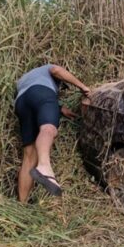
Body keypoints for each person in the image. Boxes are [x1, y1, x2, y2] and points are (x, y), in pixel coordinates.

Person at [14, 64, 90, 202]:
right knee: (48, 129)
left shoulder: (24, 79)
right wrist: (83, 87)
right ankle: (44, 165)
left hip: (21, 102)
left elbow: (33, 97)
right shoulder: (48, 69)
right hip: (43, 94)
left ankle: (22, 204)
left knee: (29, 156)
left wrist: (59, 108)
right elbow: (56, 71)